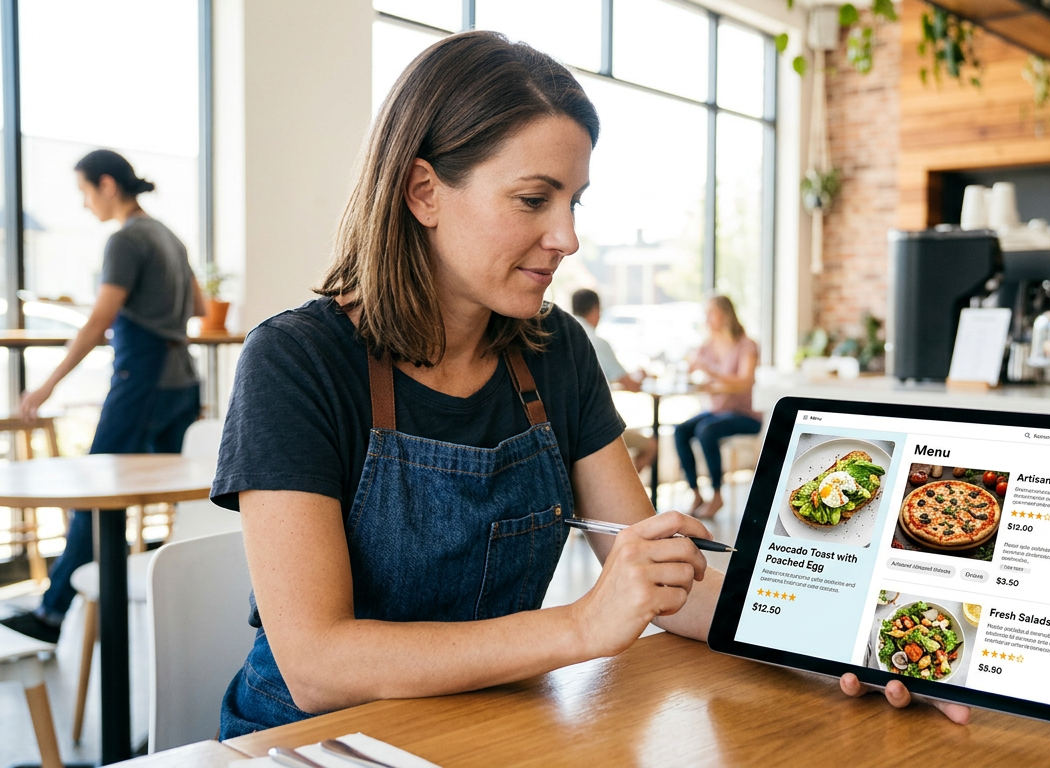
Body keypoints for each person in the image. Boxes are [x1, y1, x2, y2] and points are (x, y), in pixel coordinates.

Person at [211, 31, 965, 736]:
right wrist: (581, 626)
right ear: (423, 192)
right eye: (534, 199)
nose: (567, 237)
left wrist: (853, 643)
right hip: (308, 741)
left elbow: (666, 584)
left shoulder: (554, 350)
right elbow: (317, 665)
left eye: (574, 202)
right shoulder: (297, 362)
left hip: (485, 727)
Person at [0, 149, 204, 642]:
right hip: (181, 380)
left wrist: (46, 385)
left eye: (84, 192)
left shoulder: (127, 239)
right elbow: (196, 304)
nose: (84, 204)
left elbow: (99, 320)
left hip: (142, 382)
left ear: (107, 185)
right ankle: (197, 606)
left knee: (94, 495)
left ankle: (50, 614)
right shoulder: (168, 236)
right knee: (190, 506)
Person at [672, 296, 761, 520]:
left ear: (725, 314)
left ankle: (718, 494)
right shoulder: (708, 345)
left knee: (706, 430)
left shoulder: (746, 345)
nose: (707, 318)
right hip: (717, 413)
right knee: (681, 430)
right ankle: (696, 493)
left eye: (711, 313)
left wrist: (710, 373)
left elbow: (745, 381)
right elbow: (691, 366)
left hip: (745, 415)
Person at [570, 287, 654, 471]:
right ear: (596, 310)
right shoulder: (594, 341)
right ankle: (621, 496)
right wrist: (641, 375)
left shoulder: (566, 336)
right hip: (594, 430)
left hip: (567, 430)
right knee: (651, 445)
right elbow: (631, 385)